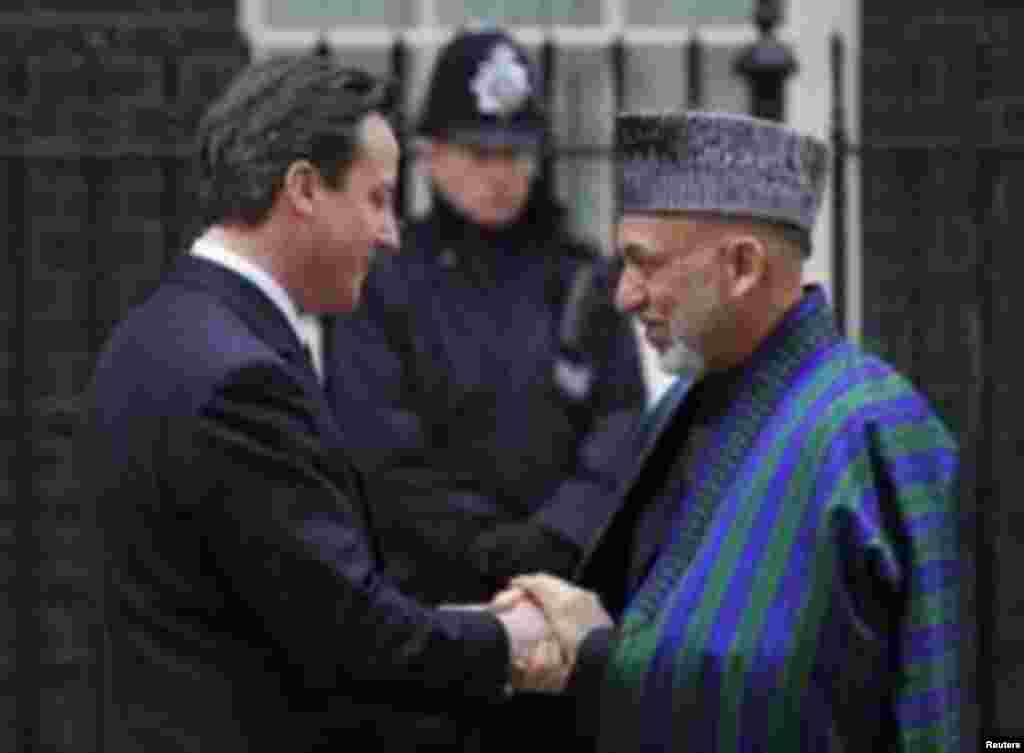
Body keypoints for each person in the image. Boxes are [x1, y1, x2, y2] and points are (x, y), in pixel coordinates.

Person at [82, 54, 554, 753]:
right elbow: (350, 635)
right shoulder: (240, 378)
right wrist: (513, 637)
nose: (391, 233)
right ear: (304, 188)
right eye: (376, 199)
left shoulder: (158, 330)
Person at [502, 110, 962, 752]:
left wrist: (597, 655)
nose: (624, 295)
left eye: (644, 263)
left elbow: (848, 700)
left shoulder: (876, 429)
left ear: (742, 266)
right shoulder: (682, 404)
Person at [324, 25, 647, 750]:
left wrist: (554, 539)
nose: (501, 174)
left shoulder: (582, 276)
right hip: (430, 620)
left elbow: (621, 427)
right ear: (431, 155)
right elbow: (379, 450)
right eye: (480, 153)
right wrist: (492, 550)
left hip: (565, 619)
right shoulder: (386, 282)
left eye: (516, 153)